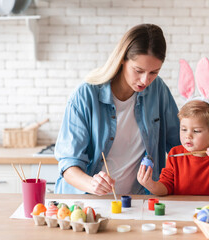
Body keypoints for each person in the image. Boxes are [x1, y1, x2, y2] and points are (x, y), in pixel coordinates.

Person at [54, 23, 181, 195]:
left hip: (139, 201)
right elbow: (68, 165)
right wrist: (92, 184)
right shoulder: (85, 94)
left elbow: (179, 146)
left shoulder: (157, 90)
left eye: (153, 72)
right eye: (138, 70)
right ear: (122, 59)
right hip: (89, 203)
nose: (145, 80)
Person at [137, 58, 209, 200]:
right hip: (181, 213)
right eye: (184, 129)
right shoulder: (175, 154)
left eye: (196, 131)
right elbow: (166, 187)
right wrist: (150, 184)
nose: (188, 136)